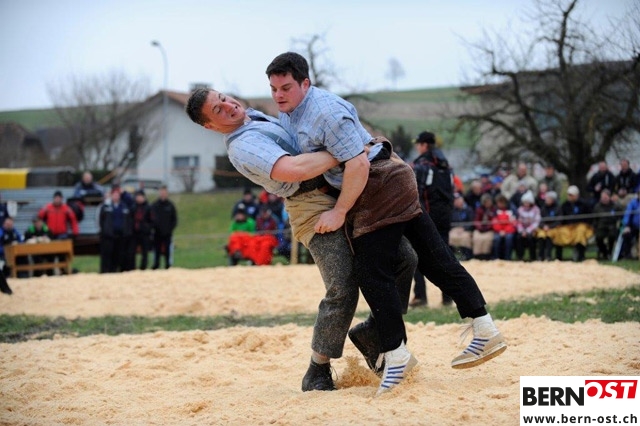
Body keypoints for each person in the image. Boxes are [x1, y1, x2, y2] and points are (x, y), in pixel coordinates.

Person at [267, 52, 505, 392]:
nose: (279, 95)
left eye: (286, 87)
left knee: (372, 273)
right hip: (393, 175)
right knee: (434, 258)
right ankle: (484, 327)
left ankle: (395, 354)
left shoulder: (325, 113)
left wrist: (339, 211)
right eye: (274, 88)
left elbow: (359, 165)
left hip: (379, 182)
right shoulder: (293, 110)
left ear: (305, 83)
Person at [186, 87, 419, 394]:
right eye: (218, 110)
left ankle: (373, 332)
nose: (228, 106)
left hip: (339, 189)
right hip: (309, 204)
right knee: (342, 283)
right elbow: (293, 170)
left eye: (224, 98)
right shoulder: (243, 146)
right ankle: (317, 368)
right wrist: (345, 146)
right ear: (210, 126)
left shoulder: (253, 117)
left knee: (404, 257)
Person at [409, 130, 454, 307]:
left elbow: (416, 192)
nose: (416, 147)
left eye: (418, 144)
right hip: (445, 216)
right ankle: (448, 296)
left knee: (418, 254)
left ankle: (420, 296)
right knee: (445, 255)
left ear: (424, 145)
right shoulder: (446, 165)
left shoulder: (422, 165)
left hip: (427, 216)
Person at [98, 187, 133, 273]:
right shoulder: (106, 207)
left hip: (121, 235)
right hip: (109, 235)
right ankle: (107, 271)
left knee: (119, 255)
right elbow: (101, 220)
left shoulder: (124, 206)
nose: (116, 196)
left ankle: (117, 270)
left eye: (117, 195)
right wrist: (104, 231)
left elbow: (128, 220)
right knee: (107, 255)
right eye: (114, 195)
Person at [559, 185, 593, 262]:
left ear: (576, 195)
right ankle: (559, 257)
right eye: (569, 195)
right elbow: (562, 218)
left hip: (581, 225)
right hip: (569, 226)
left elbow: (589, 217)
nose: (569, 197)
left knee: (580, 232)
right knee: (559, 232)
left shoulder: (584, 204)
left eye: (571, 195)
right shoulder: (565, 205)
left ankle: (580, 256)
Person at [591, 189, 624, 260]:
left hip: (612, 225)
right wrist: (595, 227)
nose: (604, 199)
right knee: (598, 238)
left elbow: (621, 215)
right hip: (601, 226)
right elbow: (594, 219)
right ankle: (605, 253)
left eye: (605, 197)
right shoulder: (597, 206)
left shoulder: (615, 206)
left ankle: (610, 252)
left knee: (612, 236)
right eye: (602, 197)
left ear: (609, 197)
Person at [150, 185, 178, 270]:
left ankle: (167, 265)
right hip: (157, 232)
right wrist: (153, 227)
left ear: (167, 193)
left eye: (164, 192)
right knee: (156, 250)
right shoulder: (155, 205)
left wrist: (170, 229)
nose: (163, 194)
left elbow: (174, 219)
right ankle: (156, 265)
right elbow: (150, 218)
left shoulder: (170, 205)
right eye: (161, 192)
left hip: (167, 233)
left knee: (167, 250)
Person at [130, 189, 153, 270]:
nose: (139, 198)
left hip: (144, 233)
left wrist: (147, 228)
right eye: (138, 196)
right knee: (132, 251)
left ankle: (143, 267)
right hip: (134, 233)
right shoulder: (133, 207)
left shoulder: (148, 207)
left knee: (145, 252)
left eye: (140, 196)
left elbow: (152, 220)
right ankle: (132, 267)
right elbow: (130, 219)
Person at [536, 191, 562, 261]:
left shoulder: (557, 208)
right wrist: (543, 226)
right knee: (541, 235)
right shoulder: (543, 208)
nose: (546, 200)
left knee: (549, 235)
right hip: (544, 227)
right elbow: (539, 220)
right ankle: (540, 256)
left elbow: (559, 221)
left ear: (553, 199)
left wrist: (550, 227)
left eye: (548, 198)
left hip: (553, 228)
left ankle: (548, 256)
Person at [515, 190, 541, 261]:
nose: (526, 204)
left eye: (527, 202)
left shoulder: (536, 209)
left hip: (532, 230)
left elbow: (536, 222)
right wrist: (522, 231)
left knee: (531, 239)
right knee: (518, 238)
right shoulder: (520, 210)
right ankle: (520, 257)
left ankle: (533, 257)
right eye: (525, 202)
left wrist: (527, 231)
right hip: (522, 230)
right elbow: (518, 222)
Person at [449, 193, 475, 261]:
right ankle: (454, 256)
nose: (456, 202)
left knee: (465, 237)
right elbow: (450, 222)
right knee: (451, 237)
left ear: (462, 200)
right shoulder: (452, 210)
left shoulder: (468, 210)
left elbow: (471, 222)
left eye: (458, 200)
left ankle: (466, 256)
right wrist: (455, 228)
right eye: (455, 200)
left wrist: (464, 228)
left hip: (466, 230)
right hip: (454, 229)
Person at [491, 194, 516, 260]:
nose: (498, 204)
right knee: (496, 239)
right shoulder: (495, 210)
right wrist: (500, 231)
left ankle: (508, 257)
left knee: (509, 238)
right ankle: (496, 257)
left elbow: (513, 223)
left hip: (508, 230)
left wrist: (505, 231)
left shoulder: (511, 209)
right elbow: (494, 222)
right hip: (499, 231)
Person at [619, 192, 639, 260]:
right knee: (626, 235)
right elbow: (627, 215)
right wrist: (626, 226)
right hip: (634, 226)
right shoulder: (633, 203)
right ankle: (627, 254)